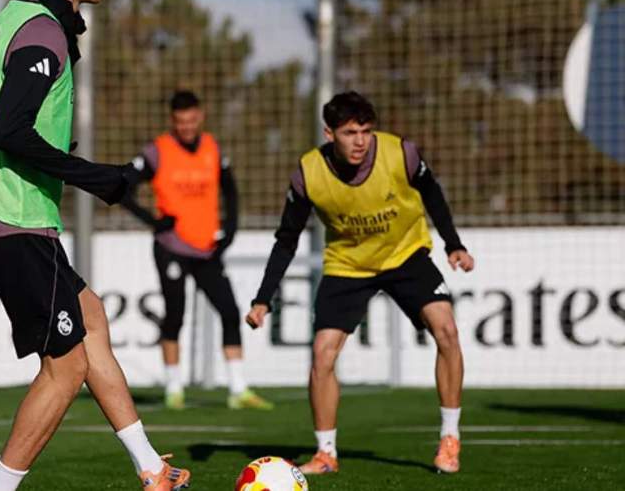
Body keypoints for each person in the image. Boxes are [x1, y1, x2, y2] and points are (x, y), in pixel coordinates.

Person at [0, 0, 189, 489]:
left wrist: (44, 149)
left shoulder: (6, 22)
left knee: (91, 318)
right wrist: (97, 176)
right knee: (66, 367)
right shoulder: (43, 32)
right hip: (11, 220)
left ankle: (151, 469)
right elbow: (7, 130)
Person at [246, 91, 474, 475]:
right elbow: (287, 239)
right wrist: (263, 298)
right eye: (350, 132)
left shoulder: (401, 154)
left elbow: (432, 193)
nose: (360, 141)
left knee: (447, 331)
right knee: (322, 355)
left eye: (366, 131)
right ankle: (325, 453)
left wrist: (454, 244)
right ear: (329, 132)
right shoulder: (309, 173)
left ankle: (450, 439)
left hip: (405, 255)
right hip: (348, 265)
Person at [122, 90, 273, 411]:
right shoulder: (157, 151)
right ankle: (174, 389)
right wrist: (153, 221)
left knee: (230, 312)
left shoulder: (212, 148)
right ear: (172, 120)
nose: (186, 127)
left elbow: (231, 191)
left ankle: (238, 389)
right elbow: (124, 189)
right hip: (171, 249)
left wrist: (229, 231)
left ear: (200, 116)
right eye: (180, 121)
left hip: (207, 250)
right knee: (175, 314)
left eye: (191, 120)